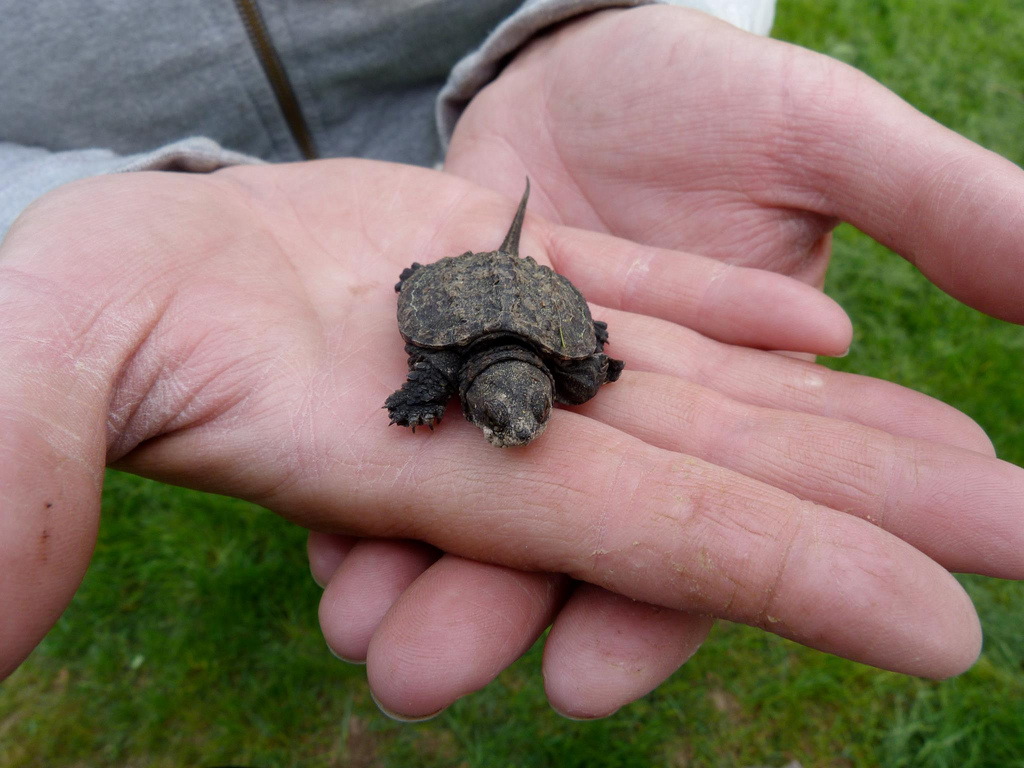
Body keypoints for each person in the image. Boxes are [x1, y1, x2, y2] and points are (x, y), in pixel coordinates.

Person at [0, 0, 1021, 724]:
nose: (520, 430)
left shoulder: (560, 359)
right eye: (513, 417)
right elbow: (429, 377)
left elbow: (583, 362)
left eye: (523, 416)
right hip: (331, 239)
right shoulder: (444, 360)